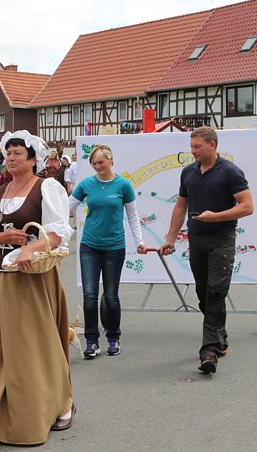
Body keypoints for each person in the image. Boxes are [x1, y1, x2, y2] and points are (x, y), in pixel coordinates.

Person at [0, 130, 74, 446]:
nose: (11, 158)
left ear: (32, 159)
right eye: (8, 152)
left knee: (38, 345)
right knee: (0, 351)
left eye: (18, 153)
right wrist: (4, 239)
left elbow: (57, 233)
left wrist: (30, 248)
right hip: (2, 278)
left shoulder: (47, 188)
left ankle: (59, 405)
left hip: (35, 278)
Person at [160, 126, 254, 375]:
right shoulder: (188, 172)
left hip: (222, 238)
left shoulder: (230, 172)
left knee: (215, 290)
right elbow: (180, 207)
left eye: (197, 147)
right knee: (204, 292)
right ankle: (220, 337)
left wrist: (216, 217)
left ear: (212, 145)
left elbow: (247, 206)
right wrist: (170, 238)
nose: (193, 151)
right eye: (191, 146)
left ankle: (209, 352)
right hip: (196, 239)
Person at [69, 144, 145, 359]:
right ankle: (92, 341)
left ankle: (113, 337)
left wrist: (139, 241)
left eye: (101, 162)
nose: (97, 167)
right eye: (93, 163)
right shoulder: (87, 184)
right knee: (89, 295)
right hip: (89, 246)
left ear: (111, 160)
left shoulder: (123, 185)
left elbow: (132, 216)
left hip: (114, 247)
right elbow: (69, 206)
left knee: (111, 296)